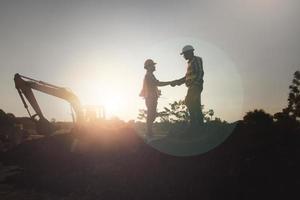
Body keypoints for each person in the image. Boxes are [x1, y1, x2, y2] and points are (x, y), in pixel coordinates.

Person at [171, 45, 204, 132]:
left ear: (190, 52)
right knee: (196, 105)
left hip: (195, 86)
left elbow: (200, 72)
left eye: (184, 54)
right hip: (193, 86)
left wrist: (195, 84)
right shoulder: (190, 63)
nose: (184, 56)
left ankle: (193, 124)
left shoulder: (196, 60)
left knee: (188, 101)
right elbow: (186, 77)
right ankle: (200, 125)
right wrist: (177, 82)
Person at [140, 59, 171, 138]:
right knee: (151, 114)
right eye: (152, 65)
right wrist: (171, 82)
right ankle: (149, 132)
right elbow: (158, 83)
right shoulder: (149, 75)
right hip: (150, 97)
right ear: (148, 67)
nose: (154, 66)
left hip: (152, 97)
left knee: (152, 114)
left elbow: (155, 85)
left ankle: (149, 131)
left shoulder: (150, 75)